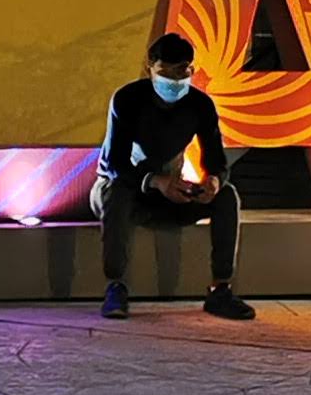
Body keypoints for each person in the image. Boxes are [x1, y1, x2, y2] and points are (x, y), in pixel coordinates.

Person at [92, 31, 256, 322]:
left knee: (228, 196)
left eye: (183, 70)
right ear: (150, 69)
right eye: (167, 72)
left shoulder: (200, 105)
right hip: (127, 188)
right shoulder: (127, 100)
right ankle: (115, 287)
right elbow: (115, 163)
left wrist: (213, 181)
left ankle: (221, 288)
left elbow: (216, 161)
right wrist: (156, 181)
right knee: (114, 192)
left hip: (170, 195)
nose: (176, 79)